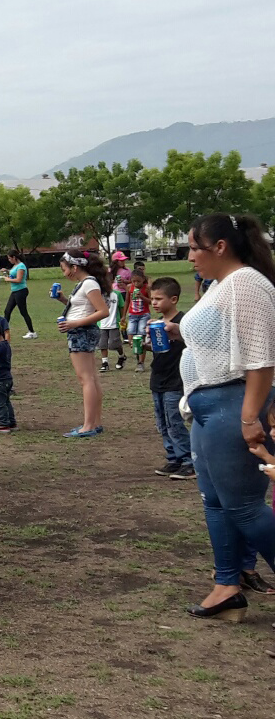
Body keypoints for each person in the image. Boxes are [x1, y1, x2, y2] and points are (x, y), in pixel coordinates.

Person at [177, 214, 275, 624]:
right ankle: (227, 585)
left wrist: (250, 417)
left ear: (220, 246)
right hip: (208, 407)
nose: (188, 257)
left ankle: (231, 581)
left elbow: (262, 357)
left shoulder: (248, 284)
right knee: (215, 504)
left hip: (232, 406)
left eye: (194, 248)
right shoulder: (222, 285)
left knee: (245, 507)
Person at [55, 250, 112, 438]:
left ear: (74, 267)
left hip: (82, 332)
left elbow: (102, 311)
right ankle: (94, 423)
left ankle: (88, 425)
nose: (64, 273)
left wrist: (74, 323)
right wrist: (63, 299)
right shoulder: (86, 284)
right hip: (81, 331)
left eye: (65, 269)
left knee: (86, 379)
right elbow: (82, 307)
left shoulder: (89, 283)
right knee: (91, 378)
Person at [146, 277, 192, 481]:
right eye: (152, 298)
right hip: (158, 378)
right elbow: (159, 350)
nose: (154, 302)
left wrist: (178, 332)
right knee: (162, 422)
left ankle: (188, 461)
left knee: (175, 422)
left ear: (173, 299)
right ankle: (173, 457)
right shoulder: (155, 323)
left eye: (158, 298)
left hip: (175, 380)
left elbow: (192, 344)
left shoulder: (184, 322)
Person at [0, 250, 37, 338]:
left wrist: (8, 280)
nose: (9, 260)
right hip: (15, 291)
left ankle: (32, 332)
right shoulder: (15, 266)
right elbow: (14, 275)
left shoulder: (21, 266)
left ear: (14, 257)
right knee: (7, 311)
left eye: (10, 258)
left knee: (23, 312)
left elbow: (19, 279)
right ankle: (3, 332)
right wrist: (7, 272)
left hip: (21, 291)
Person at [97, 275, 127, 373]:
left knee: (114, 344)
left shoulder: (117, 294)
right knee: (102, 344)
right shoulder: (98, 295)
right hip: (102, 323)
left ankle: (121, 356)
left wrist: (123, 317)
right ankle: (105, 363)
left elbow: (122, 307)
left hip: (114, 323)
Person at [125, 261, 151, 373]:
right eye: (133, 281)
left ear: (143, 280)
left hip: (144, 315)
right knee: (130, 333)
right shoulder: (129, 287)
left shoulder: (146, 288)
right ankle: (137, 353)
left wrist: (142, 296)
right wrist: (123, 315)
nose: (136, 283)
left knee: (141, 336)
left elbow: (151, 301)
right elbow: (127, 301)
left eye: (138, 281)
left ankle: (141, 363)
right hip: (132, 315)